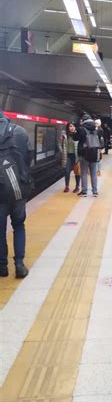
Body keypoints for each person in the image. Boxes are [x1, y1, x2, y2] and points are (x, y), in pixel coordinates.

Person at [0, 108, 33, 278]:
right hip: (17, 188)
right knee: (19, 225)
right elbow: (29, 158)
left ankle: (2, 266)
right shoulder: (19, 131)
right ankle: (19, 265)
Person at [73, 114, 100, 197]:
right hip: (94, 152)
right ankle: (95, 191)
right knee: (93, 173)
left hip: (84, 153)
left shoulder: (81, 129)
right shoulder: (96, 129)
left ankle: (84, 191)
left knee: (84, 173)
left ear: (83, 120)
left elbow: (75, 138)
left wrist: (75, 131)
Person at [60, 122, 80, 193]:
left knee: (77, 172)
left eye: (73, 126)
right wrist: (62, 151)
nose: (72, 128)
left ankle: (77, 187)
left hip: (76, 156)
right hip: (68, 155)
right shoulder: (64, 136)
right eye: (70, 126)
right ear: (68, 127)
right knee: (67, 171)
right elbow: (59, 144)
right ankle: (67, 186)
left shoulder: (78, 135)